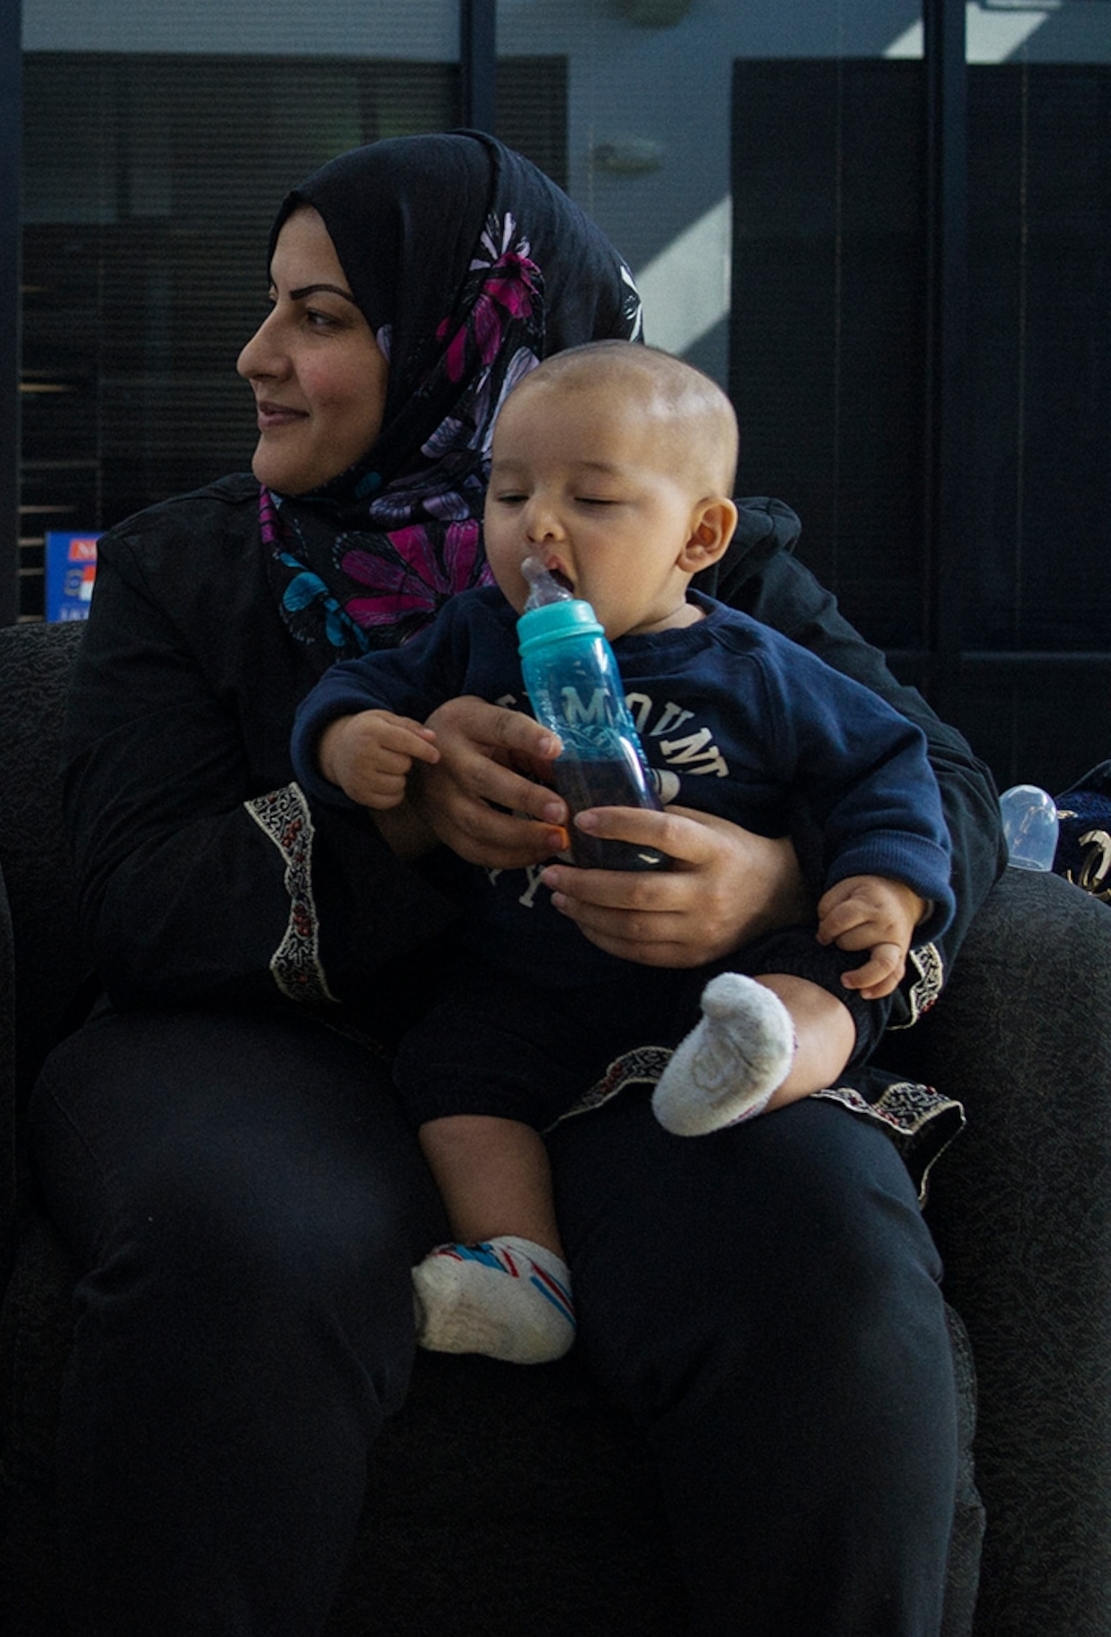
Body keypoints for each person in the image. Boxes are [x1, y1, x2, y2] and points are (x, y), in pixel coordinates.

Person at [34, 130, 1000, 1637]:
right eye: (273, 307)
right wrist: (396, 822)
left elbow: (939, 784)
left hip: (616, 1046)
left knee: (824, 1256)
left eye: (323, 318)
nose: (256, 356)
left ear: (479, 345)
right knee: (243, 1251)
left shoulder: (695, 553)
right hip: (284, 1053)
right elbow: (130, 899)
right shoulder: (186, 570)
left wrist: (782, 880)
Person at [294, 342, 955, 1365]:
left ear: (700, 534)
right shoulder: (475, 632)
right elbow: (355, 690)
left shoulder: (756, 664)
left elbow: (886, 763)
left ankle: (761, 1062)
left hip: (719, 977)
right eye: (509, 494)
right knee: (451, 1071)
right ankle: (523, 1265)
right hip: (528, 976)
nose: (538, 527)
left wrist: (884, 881)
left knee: (826, 977)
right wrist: (350, 743)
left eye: (592, 500)